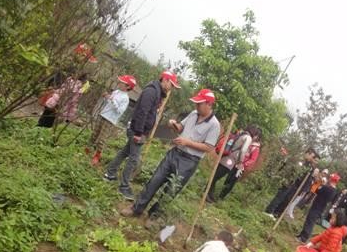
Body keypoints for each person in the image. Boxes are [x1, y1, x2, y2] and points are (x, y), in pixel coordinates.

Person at [121, 88, 220, 218]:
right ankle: (136, 208)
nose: (196, 106)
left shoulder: (214, 125)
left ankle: (154, 217)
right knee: (154, 180)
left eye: (199, 103)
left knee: (171, 190)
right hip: (175, 152)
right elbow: (180, 128)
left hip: (189, 161)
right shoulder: (193, 114)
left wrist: (187, 142)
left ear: (209, 104)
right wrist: (173, 124)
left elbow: (208, 147)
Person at [104, 71, 181, 200]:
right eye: (171, 85)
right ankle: (123, 186)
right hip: (137, 130)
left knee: (125, 152)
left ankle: (110, 173)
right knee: (134, 159)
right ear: (165, 80)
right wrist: (139, 133)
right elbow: (142, 112)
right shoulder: (151, 92)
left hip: (138, 129)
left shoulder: (157, 92)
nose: (171, 88)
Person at [89, 75, 136, 165]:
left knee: (102, 138)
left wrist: (112, 100)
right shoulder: (116, 91)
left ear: (128, 87)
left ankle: (97, 156)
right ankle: (88, 149)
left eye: (123, 83)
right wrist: (106, 97)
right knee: (95, 133)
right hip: (102, 114)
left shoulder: (125, 98)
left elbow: (120, 111)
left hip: (110, 120)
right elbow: (109, 102)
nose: (120, 83)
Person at [207, 125, 262, 202]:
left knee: (216, 176)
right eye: (256, 135)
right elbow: (243, 151)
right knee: (216, 177)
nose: (256, 137)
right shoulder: (248, 138)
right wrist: (240, 162)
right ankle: (207, 193)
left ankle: (210, 193)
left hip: (226, 157)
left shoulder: (241, 134)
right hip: (230, 160)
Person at [264, 148, 319, 219]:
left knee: (283, 198)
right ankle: (269, 211)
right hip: (287, 180)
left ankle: (274, 212)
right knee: (279, 196)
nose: (311, 158)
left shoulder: (308, 164)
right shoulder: (299, 159)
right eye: (312, 156)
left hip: (292, 183)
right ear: (307, 153)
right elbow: (290, 169)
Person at [296, 173, 341, 243]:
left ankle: (304, 238)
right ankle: (302, 234)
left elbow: (317, 190)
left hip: (317, 207)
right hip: (320, 208)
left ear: (332, 180)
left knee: (310, 222)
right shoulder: (334, 190)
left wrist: (321, 185)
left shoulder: (327, 188)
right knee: (309, 220)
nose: (329, 179)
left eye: (330, 178)